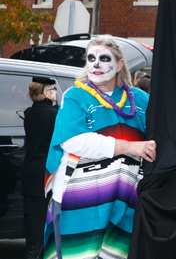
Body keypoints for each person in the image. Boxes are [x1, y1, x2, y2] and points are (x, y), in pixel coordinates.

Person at [43, 36, 155, 259]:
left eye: (104, 58)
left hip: (125, 198)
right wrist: (131, 147)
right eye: (91, 58)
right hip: (79, 197)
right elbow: (74, 141)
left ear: (120, 64)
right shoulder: (76, 96)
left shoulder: (141, 100)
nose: (95, 64)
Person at [21, 77, 58, 259]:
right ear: (45, 93)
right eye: (53, 90)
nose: (56, 93)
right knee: (45, 231)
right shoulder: (54, 115)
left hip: (30, 174)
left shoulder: (29, 113)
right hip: (46, 176)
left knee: (32, 232)